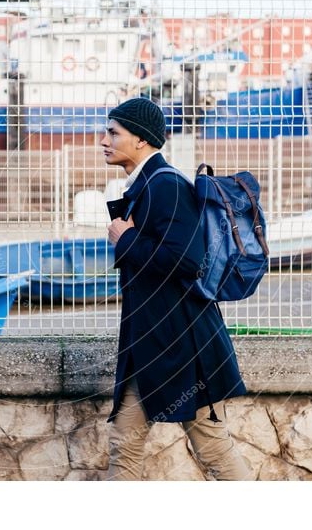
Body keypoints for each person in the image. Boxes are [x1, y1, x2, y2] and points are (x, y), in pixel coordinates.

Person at [101, 97, 253, 481]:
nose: (103, 140)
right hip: (155, 342)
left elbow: (188, 260)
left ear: (140, 140)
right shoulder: (149, 183)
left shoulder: (164, 185)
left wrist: (127, 239)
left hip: (183, 347)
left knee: (212, 446)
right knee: (126, 440)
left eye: (113, 133)